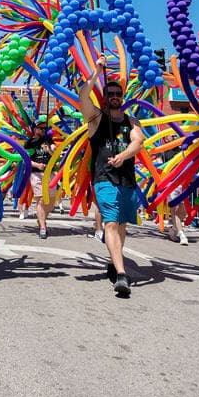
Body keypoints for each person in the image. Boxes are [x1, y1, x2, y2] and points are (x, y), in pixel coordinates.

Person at [78, 57, 144, 298]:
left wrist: (123, 156)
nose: (115, 96)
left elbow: (138, 142)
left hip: (127, 180)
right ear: (105, 96)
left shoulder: (131, 120)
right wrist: (96, 72)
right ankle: (121, 273)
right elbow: (83, 97)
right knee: (111, 223)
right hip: (104, 179)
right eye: (111, 93)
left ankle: (114, 262)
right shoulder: (96, 118)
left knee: (122, 226)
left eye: (118, 93)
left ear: (122, 96)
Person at [24, 122, 57, 239]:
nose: (43, 130)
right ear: (34, 129)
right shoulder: (29, 142)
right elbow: (25, 159)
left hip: (50, 173)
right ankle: (43, 227)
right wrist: (37, 165)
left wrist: (49, 150)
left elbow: (55, 152)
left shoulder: (48, 140)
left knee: (52, 201)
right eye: (40, 128)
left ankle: (41, 219)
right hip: (36, 174)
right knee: (41, 200)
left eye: (44, 128)